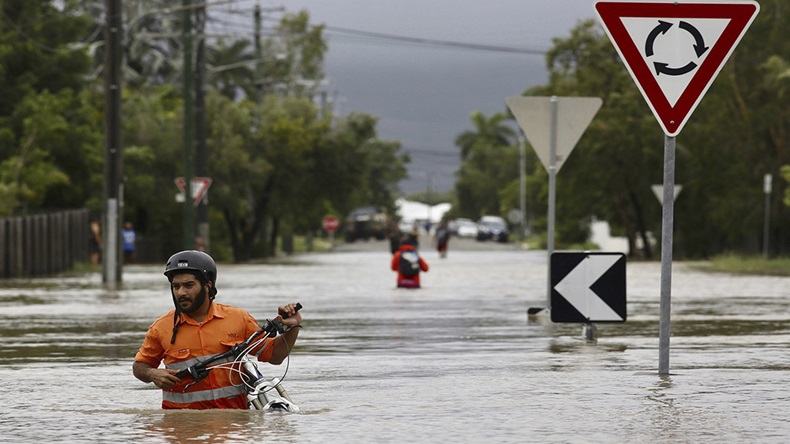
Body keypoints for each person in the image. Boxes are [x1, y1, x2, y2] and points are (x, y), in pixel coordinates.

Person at [132, 250, 302, 409]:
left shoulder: (238, 318)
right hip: (182, 430)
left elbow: (275, 356)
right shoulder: (161, 327)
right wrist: (153, 374)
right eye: (176, 286)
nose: (181, 292)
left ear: (208, 285)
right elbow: (139, 367)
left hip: (234, 430)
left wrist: (292, 327)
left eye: (188, 285)